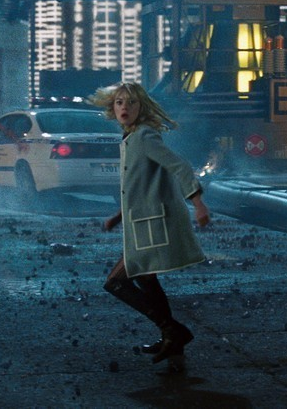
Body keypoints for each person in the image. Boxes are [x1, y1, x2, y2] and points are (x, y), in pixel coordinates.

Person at [90, 81, 211, 372]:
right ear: (112, 108)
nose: (125, 108)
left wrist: (198, 203)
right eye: (119, 102)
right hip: (141, 222)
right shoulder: (130, 138)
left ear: (141, 107)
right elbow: (138, 186)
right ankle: (172, 337)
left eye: (131, 103)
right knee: (146, 280)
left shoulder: (144, 136)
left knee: (116, 282)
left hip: (150, 224)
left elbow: (179, 166)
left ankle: (173, 331)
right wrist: (118, 216)